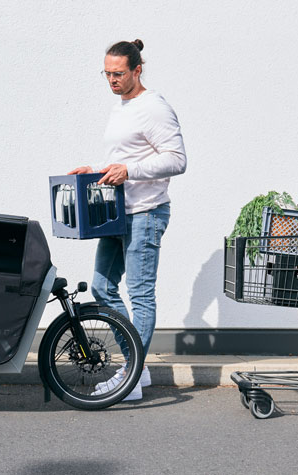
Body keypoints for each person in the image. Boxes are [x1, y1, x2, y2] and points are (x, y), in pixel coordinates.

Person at [69, 39, 187, 401]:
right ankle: (138, 367)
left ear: (138, 70)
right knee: (103, 287)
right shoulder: (123, 107)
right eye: (106, 74)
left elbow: (177, 159)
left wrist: (129, 171)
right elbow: (124, 156)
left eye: (118, 74)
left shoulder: (154, 106)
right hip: (118, 214)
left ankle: (130, 377)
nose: (112, 80)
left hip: (146, 213)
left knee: (140, 295)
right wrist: (96, 171)